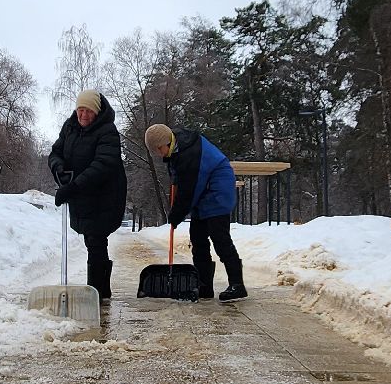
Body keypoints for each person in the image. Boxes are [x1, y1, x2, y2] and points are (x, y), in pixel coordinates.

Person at [143, 123, 246, 302]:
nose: (159, 154)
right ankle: (204, 285)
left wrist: (176, 214)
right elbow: (181, 179)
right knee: (197, 238)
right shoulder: (175, 146)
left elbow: (188, 190)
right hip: (203, 190)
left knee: (219, 237)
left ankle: (237, 284)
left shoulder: (189, 152)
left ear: (166, 142)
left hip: (217, 187)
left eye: (159, 149)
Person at [48, 90, 126, 299]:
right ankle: (100, 291)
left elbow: (103, 165)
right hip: (82, 194)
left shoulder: (108, 131)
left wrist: (72, 188)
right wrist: (58, 168)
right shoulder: (70, 126)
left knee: (96, 238)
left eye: (88, 111)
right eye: (80, 110)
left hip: (104, 195)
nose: (83, 115)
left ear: (97, 112)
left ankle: (98, 292)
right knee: (92, 239)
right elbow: (55, 152)